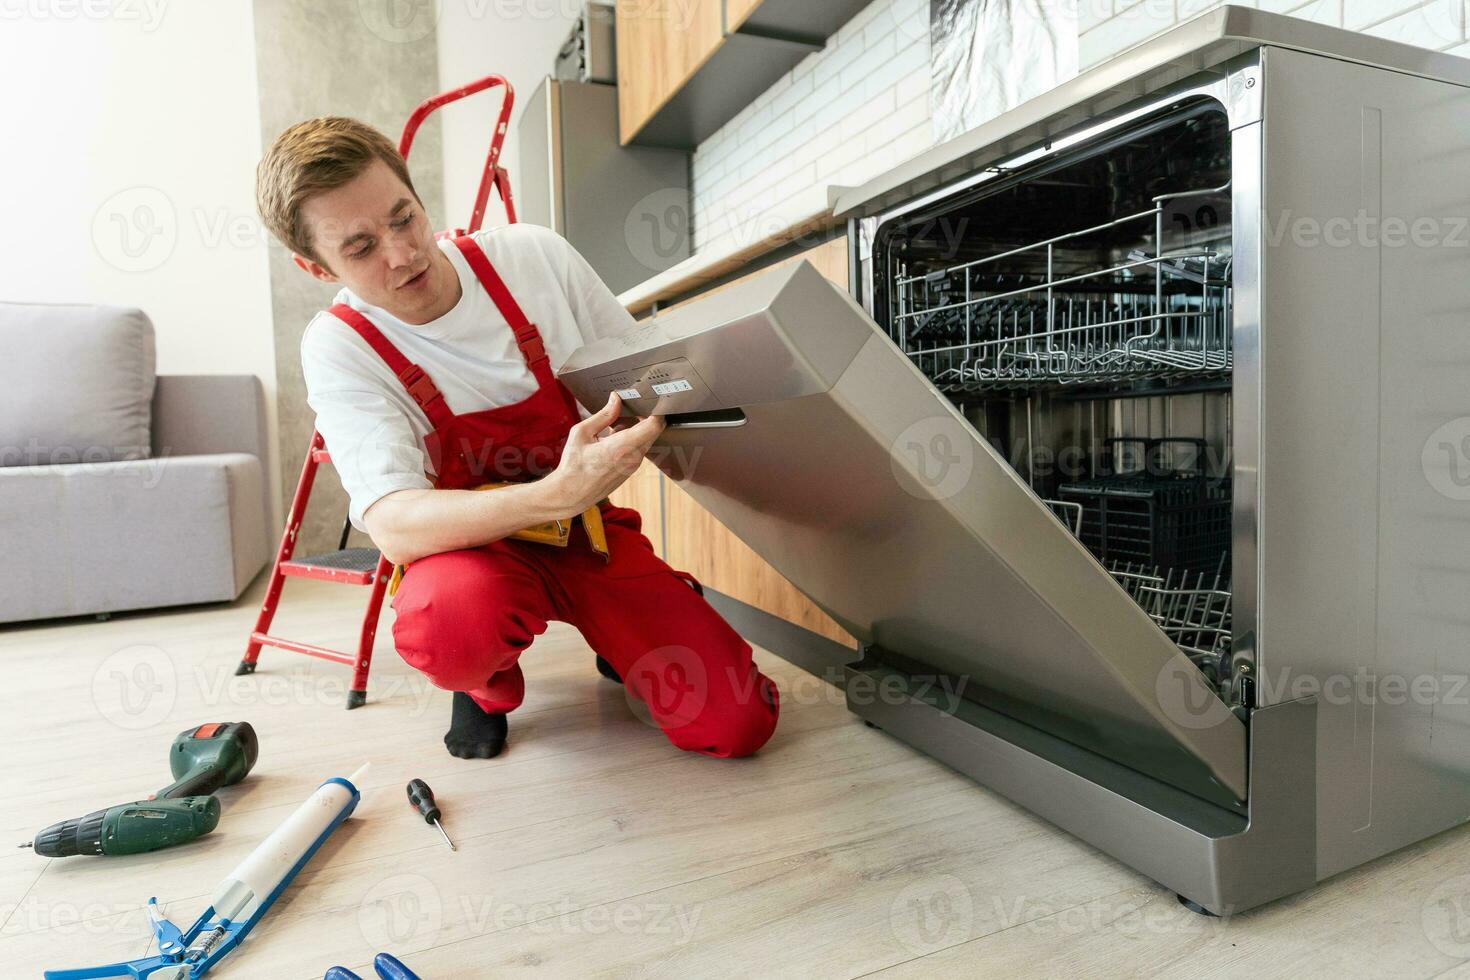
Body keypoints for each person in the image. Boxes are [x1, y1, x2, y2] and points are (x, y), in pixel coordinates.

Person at [255, 116, 779, 760]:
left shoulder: (533, 258)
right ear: (315, 266)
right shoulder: (340, 345)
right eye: (360, 248)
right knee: (446, 624)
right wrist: (552, 495)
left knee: (738, 723)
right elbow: (393, 524)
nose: (403, 253)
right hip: (469, 561)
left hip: (589, 537)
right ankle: (485, 684)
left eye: (404, 217)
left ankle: (633, 626)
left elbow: (643, 381)